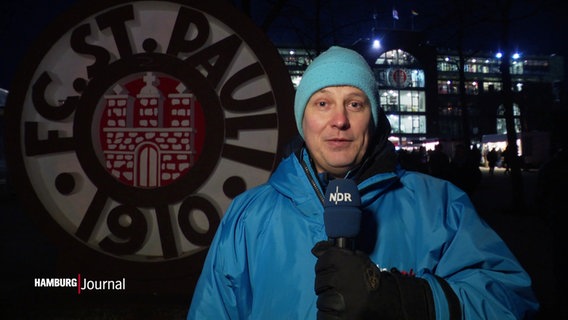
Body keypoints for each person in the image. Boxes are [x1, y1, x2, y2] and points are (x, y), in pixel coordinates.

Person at [187, 46, 538, 319]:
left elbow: (511, 299)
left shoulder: (441, 204)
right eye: (322, 103)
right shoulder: (248, 215)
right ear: (302, 120)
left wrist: (406, 301)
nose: (339, 120)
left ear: (372, 119)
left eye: (355, 104)